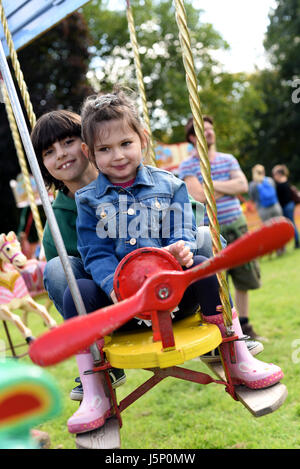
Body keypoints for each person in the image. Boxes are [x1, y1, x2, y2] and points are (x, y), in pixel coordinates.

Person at [62, 89, 283, 433]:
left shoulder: (171, 184)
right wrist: (111, 287)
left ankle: (236, 354)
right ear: (90, 153)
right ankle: (95, 390)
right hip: (122, 308)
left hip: (174, 297)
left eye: (125, 143)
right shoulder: (88, 200)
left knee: (201, 260)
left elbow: (182, 227)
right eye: (105, 149)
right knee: (76, 290)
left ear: (143, 140)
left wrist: (179, 248)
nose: (117, 155)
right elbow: (95, 252)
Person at [30, 110, 126, 401]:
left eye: (68, 141)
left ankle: (216, 326)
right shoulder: (56, 227)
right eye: (49, 151)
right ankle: (97, 359)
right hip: (106, 311)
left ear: (86, 143)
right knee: (57, 268)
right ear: (44, 166)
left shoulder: (127, 177)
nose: (61, 154)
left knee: (198, 234)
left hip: (154, 290)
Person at [178, 115, 262, 340]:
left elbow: (242, 185)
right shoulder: (186, 165)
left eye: (209, 129)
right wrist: (226, 187)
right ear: (191, 138)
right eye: (201, 130)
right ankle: (223, 330)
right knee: (215, 280)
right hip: (209, 230)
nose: (208, 133)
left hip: (236, 225)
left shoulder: (228, 159)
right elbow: (197, 196)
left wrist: (209, 185)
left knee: (244, 276)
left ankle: (245, 325)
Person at [272, 164, 299, 249]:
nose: (274, 177)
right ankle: (296, 241)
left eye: (274, 174)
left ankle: (297, 242)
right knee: (292, 223)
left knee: (291, 224)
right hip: (290, 204)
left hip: (286, 206)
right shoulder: (286, 181)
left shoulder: (280, 185)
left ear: (279, 174)